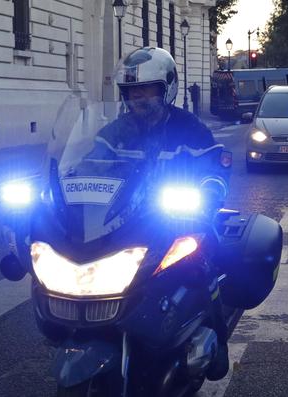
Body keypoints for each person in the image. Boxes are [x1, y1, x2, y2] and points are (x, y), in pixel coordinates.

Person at [98, 47, 231, 381]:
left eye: (146, 89)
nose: (138, 97)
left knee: (204, 263)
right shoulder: (116, 132)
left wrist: (210, 190)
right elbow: (86, 163)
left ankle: (218, 343)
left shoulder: (191, 129)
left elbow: (215, 169)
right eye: (131, 91)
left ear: (166, 87)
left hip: (177, 219)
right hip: (125, 221)